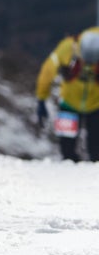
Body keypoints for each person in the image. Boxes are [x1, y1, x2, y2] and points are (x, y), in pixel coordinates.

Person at [35, 28, 99, 162]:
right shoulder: (67, 47)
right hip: (68, 103)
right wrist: (41, 98)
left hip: (96, 104)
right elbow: (47, 71)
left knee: (96, 148)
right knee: (67, 149)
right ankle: (70, 173)